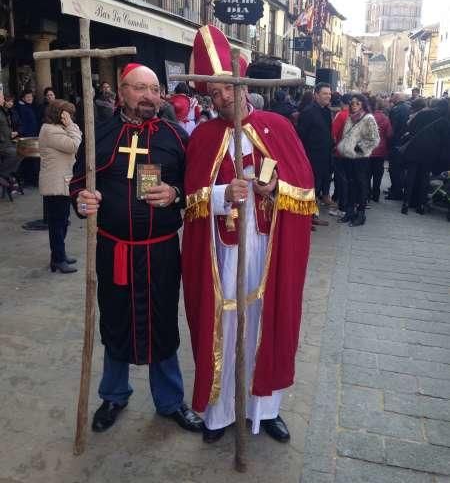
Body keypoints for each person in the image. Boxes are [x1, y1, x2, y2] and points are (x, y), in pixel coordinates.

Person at [182, 25, 316, 444]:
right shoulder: (203, 136)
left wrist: (275, 188)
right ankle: (220, 414)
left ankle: (265, 410)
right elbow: (191, 200)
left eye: (227, 90)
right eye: (214, 95)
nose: (222, 99)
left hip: (267, 249)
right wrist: (223, 193)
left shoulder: (277, 125)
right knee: (223, 327)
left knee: (266, 323)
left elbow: (305, 187)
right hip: (221, 254)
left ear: (243, 85)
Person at [69, 63, 202, 434]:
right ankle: (113, 394)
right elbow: (77, 183)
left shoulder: (176, 136)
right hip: (114, 251)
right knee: (114, 320)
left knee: (162, 321)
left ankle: (171, 401)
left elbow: (196, 188)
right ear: (122, 91)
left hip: (159, 252)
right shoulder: (100, 134)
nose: (149, 96)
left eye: (154, 89)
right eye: (140, 88)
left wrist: (176, 193)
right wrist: (81, 200)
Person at [39, 100, 82, 273]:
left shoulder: (58, 130)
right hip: (55, 184)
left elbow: (77, 137)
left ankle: (59, 255)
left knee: (62, 222)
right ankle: (58, 259)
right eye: (68, 114)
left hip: (61, 182)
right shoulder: (50, 131)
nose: (71, 118)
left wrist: (71, 126)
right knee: (57, 223)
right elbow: (73, 145)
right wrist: (71, 125)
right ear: (60, 115)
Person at [400, 98, 450, 215]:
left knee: (411, 176)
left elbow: (411, 127)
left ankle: (405, 203)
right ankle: (421, 205)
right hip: (430, 153)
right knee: (424, 178)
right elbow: (445, 141)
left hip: (415, 148)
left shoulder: (424, 113)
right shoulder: (445, 121)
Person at [337, 94, 380, 226]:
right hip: (348, 156)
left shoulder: (368, 118)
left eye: (357, 103)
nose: (354, 105)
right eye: (352, 103)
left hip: (361, 158)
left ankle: (361, 214)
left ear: (363, 104)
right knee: (350, 184)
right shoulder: (351, 117)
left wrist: (359, 148)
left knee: (361, 185)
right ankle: (350, 211)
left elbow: (375, 139)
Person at [296, 82, 334, 222]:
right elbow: (301, 136)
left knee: (317, 187)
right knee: (311, 186)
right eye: (325, 93)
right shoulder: (308, 112)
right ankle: (308, 217)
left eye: (329, 94)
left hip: (324, 156)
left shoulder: (326, 111)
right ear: (316, 95)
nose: (328, 96)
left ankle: (312, 214)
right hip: (312, 157)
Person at [368, 96, 392, 202]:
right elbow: (389, 134)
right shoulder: (386, 119)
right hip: (380, 150)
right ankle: (376, 195)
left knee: (366, 174)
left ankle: (367, 193)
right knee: (378, 174)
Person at [387, 92, 410, 200]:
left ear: (396, 98)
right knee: (399, 169)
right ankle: (396, 189)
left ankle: (396, 191)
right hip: (405, 142)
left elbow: (393, 127)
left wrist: (390, 140)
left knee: (394, 169)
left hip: (396, 143)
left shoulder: (396, 109)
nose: (391, 98)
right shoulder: (408, 108)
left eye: (393, 96)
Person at [0, 90, 23, 191]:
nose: (3, 99)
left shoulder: (4, 111)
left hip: (8, 141)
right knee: (16, 153)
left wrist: (13, 134)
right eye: (1, 97)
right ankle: (3, 174)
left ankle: (6, 174)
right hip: (2, 144)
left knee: (22, 151)